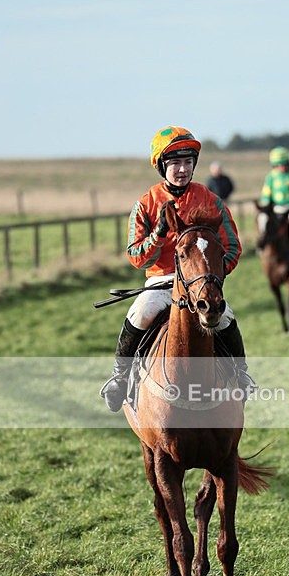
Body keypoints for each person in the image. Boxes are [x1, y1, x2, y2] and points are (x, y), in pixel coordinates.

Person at [100, 125, 254, 412]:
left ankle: (241, 375)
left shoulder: (210, 200)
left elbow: (232, 247)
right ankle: (119, 379)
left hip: (199, 283)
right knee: (140, 312)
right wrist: (158, 234)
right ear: (162, 166)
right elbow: (136, 257)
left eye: (187, 163)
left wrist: (212, 277)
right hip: (161, 284)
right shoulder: (145, 204)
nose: (182, 169)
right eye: (174, 163)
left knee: (226, 315)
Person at [259, 146, 289, 214]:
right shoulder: (271, 176)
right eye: (279, 165)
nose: (282, 167)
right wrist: (266, 202)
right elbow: (266, 192)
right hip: (275, 207)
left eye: (284, 164)